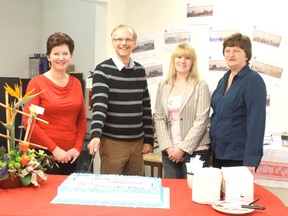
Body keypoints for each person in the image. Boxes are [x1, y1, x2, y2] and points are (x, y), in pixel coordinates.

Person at [87, 24, 154, 176]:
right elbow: (99, 106)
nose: (123, 43)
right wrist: (96, 135)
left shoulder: (140, 70)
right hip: (112, 144)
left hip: (137, 144)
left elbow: (145, 106)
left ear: (134, 43)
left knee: (136, 190)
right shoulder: (102, 70)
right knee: (111, 192)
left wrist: (148, 139)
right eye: (119, 39)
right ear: (113, 42)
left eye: (128, 39)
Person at [23, 32, 86, 175]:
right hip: (44, 156)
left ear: (71, 56)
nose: (61, 58)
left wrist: (76, 147)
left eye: (65, 53)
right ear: (48, 56)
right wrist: (54, 149)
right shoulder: (37, 83)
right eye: (56, 53)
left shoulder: (76, 83)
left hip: (70, 156)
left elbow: (81, 118)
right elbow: (29, 122)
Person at [209, 32, 267, 175]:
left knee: (234, 197)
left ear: (246, 55)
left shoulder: (253, 81)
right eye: (227, 51)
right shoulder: (224, 78)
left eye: (236, 51)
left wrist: (251, 161)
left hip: (238, 157)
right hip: (218, 153)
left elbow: (256, 123)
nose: (231, 54)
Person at [154, 43, 211, 179]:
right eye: (179, 57)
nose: (182, 61)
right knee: (173, 195)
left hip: (196, 151)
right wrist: (169, 148)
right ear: (173, 59)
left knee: (194, 195)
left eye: (187, 58)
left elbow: (202, 120)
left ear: (193, 62)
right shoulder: (164, 85)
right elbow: (159, 117)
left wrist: (182, 149)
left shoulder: (200, 85)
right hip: (170, 152)